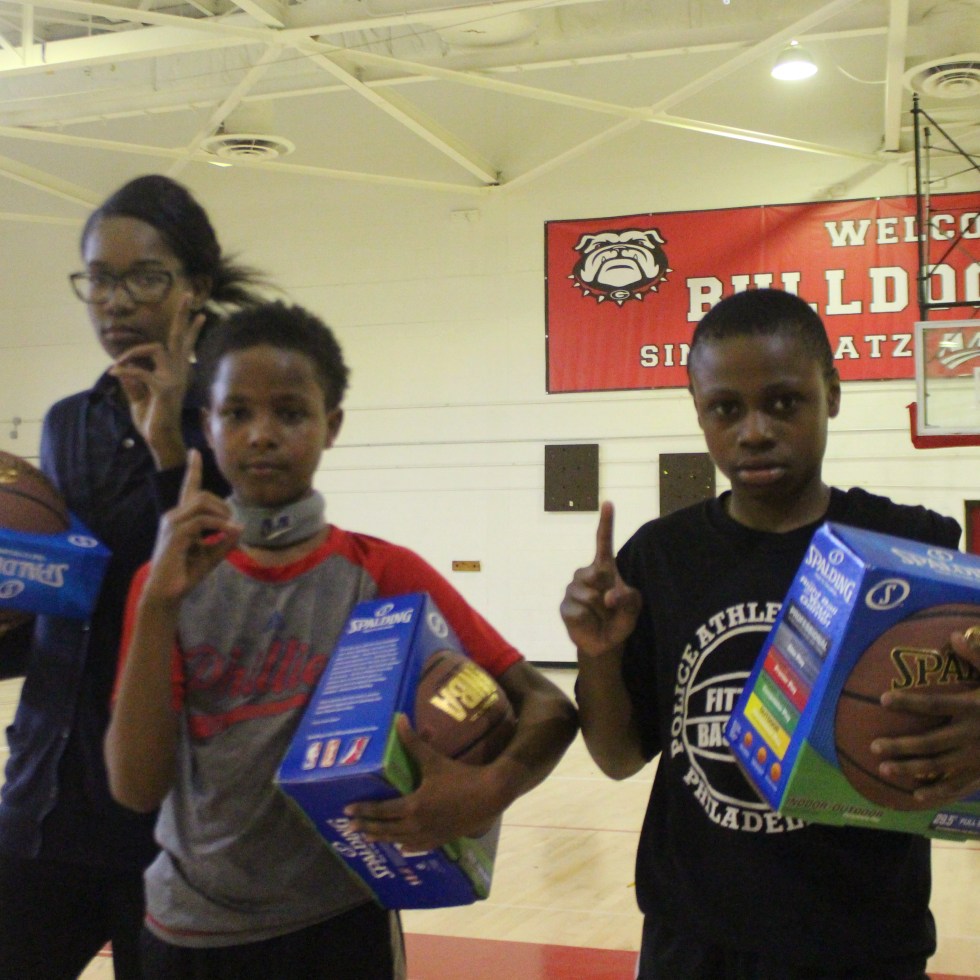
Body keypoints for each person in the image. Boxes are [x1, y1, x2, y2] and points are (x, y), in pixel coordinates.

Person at [103, 300, 578, 980]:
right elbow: (134, 788)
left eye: (290, 413)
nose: (262, 435)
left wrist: (487, 790)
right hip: (191, 930)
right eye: (237, 413)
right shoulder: (165, 583)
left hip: (340, 923)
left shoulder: (381, 573)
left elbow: (547, 704)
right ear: (207, 425)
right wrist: (158, 608)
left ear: (332, 426)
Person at [560, 288, 980, 980]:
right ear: (698, 409)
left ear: (831, 394)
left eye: (784, 402)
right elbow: (616, 757)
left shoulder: (911, 543)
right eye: (726, 409)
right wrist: (597, 654)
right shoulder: (658, 558)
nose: (754, 431)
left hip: (861, 941)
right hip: (691, 939)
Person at [0, 174, 269, 980]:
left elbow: (237, 602)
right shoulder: (68, 424)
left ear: (196, 287)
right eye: (99, 280)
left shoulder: (244, 423)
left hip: (177, 814)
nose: (115, 302)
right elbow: (67, 607)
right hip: (48, 794)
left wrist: (168, 448)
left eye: (144, 278)